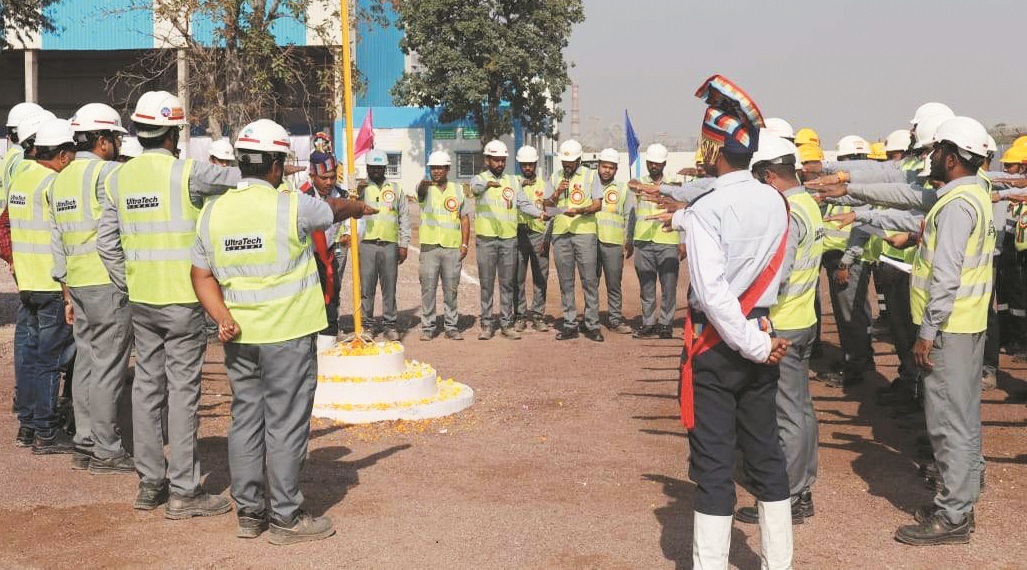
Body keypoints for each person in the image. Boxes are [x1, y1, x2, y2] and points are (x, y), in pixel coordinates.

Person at [192, 119, 373, 544]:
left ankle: (250, 513)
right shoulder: (292, 205)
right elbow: (335, 209)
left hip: (238, 338)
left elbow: (201, 277)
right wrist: (360, 207)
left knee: (246, 421)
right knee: (286, 425)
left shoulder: (213, 211)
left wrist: (221, 317)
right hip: (288, 337)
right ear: (276, 166)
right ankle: (286, 518)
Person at [816, 116, 995, 546]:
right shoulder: (976, 193)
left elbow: (947, 277)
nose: (928, 158)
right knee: (965, 416)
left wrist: (927, 333)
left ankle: (953, 515)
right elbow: (899, 191)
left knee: (946, 422)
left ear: (951, 158)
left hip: (948, 329)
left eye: (934, 152)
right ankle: (963, 498)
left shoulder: (954, 206)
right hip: (969, 326)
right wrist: (854, 194)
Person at [669, 75, 792, 569]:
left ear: (713, 149)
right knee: (766, 453)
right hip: (762, 333)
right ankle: (779, 563)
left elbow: (714, 294)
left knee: (715, 465)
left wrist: (748, 343)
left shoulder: (707, 209)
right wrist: (759, 342)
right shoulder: (777, 202)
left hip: (720, 344)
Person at [97, 90, 239, 516]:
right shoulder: (188, 173)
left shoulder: (117, 178)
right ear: (174, 133)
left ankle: (149, 482)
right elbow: (243, 181)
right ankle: (184, 491)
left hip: (142, 302)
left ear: (138, 133)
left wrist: (130, 282)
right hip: (183, 303)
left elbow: (106, 245)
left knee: (145, 390)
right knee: (182, 393)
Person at [735, 135, 824, 526]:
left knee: (784, 413)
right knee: (801, 409)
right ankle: (802, 487)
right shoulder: (809, 204)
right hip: (804, 320)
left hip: (783, 323)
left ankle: (786, 495)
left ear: (769, 175)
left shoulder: (788, 211)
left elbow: (778, 273)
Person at [47, 103, 135, 473]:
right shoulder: (108, 174)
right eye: (114, 138)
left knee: (86, 360)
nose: (116, 144)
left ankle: (85, 439)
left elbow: (58, 241)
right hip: (106, 281)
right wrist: (124, 280)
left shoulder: (59, 180)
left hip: (79, 284)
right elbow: (115, 234)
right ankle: (107, 448)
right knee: (109, 366)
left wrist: (67, 291)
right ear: (101, 140)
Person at [8, 117, 77, 454]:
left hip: (28, 284)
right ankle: (47, 434)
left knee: (33, 356)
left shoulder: (21, 179)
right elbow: (60, 239)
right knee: (50, 360)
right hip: (51, 285)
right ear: (63, 155)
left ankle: (28, 425)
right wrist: (68, 291)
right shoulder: (53, 185)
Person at [545, 139, 603, 341]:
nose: (566, 164)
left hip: (584, 233)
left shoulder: (590, 175)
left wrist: (579, 211)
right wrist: (557, 192)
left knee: (589, 280)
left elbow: (597, 205)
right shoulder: (554, 176)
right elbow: (547, 207)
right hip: (561, 234)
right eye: (564, 161)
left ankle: (592, 324)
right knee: (566, 281)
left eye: (570, 161)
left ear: (579, 159)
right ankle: (570, 323)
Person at [628, 143, 685, 340]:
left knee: (669, 286)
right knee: (646, 285)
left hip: (667, 239)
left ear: (664, 164)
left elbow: (681, 212)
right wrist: (629, 240)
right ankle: (648, 322)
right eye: (651, 163)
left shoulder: (673, 185)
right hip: (643, 240)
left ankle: (666, 324)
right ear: (646, 163)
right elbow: (632, 189)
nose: (653, 166)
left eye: (657, 164)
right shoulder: (639, 182)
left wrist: (682, 241)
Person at [356, 149, 410, 341]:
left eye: (379, 167)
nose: (376, 171)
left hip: (389, 245)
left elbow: (404, 217)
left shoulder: (396, 189)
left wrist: (403, 244)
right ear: (368, 168)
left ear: (385, 167)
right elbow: (350, 212)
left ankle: (390, 324)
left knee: (389, 287)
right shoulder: (360, 188)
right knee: (366, 288)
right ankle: (368, 325)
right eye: (372, 167)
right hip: (367, 244)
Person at [417, 151, 470, 340]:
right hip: (430, 247)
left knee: (451, 289)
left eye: (440, 168)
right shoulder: (425, 188)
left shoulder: (458, 189)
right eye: (433, 168)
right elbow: (420, 191)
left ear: (448, 169)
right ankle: (428, 327)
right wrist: (423, 184)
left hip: (452, 247)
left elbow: (464, 219)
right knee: (428, 289)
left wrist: (464, 244)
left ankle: (451, 326)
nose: (436, 171)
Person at [470, 140, 520, 340]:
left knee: (507, 283)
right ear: (487, 159)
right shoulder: (479, 179)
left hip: (508, 239)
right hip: (487, 240)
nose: (500, 164)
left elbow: (523, 202)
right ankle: (487, 324)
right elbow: (474, 189)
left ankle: (507, 324)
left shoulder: (513, 181)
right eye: (496, 160)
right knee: (487, 284)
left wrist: (540, 213)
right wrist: (487, 183)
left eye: (502, 160)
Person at [301, 151, 348, 348]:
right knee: (309, 297)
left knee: (332, 295)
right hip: (307, 258)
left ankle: (328, 339)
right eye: (324, 178)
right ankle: (308, 338)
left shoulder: (342, 194)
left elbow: (353, 220)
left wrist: (349, 233)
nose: (329, 182)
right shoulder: (302, 195)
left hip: (330, 254)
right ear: (313, 176)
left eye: (332, 177)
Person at [594, 148, 634, 335]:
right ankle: (591, 319)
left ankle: (615, 319)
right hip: (590, 240)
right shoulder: (589, 185)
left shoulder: (622, 188)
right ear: (598, 166)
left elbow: (628, 215)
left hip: (613, 242)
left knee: (613, 283)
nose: (607, 170)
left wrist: (629, 240)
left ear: (616, 169)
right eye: (604, 166)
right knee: (590, 282)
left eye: (611, 167)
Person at [513, 145, 551, 332]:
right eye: (524, 164)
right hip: (518, 234)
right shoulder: (513, 184)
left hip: (538, 235)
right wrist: (520, 185)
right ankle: (520, 315)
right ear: (519, 164)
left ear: (536, 164)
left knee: (540, 276)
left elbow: (550, 213)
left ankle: (538, 315)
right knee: (517, 277)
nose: (527, 167)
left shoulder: (545, 185)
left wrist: (547, 238)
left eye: (530, 164)